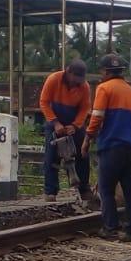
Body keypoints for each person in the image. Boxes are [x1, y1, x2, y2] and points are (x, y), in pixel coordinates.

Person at [81, 53, 131, 241]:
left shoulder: (104, 89)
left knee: (106, 190)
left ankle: (110, 228)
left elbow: (97, 117)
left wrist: (87, 140)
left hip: (112, 148)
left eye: (102, 71)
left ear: (106, 71)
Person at [39, 59, 92, 202]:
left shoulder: (84, 87)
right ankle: (51, 191)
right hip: (54, 120)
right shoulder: (53, 79)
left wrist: (75, 126)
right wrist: (55, 122)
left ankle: (84, 188)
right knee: (51, 157)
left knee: (82, 154)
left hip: (73, 122)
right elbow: (44, 102)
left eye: (80, 78)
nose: (77, 81)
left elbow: (84, 108)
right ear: (68, 72)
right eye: (76, 77)